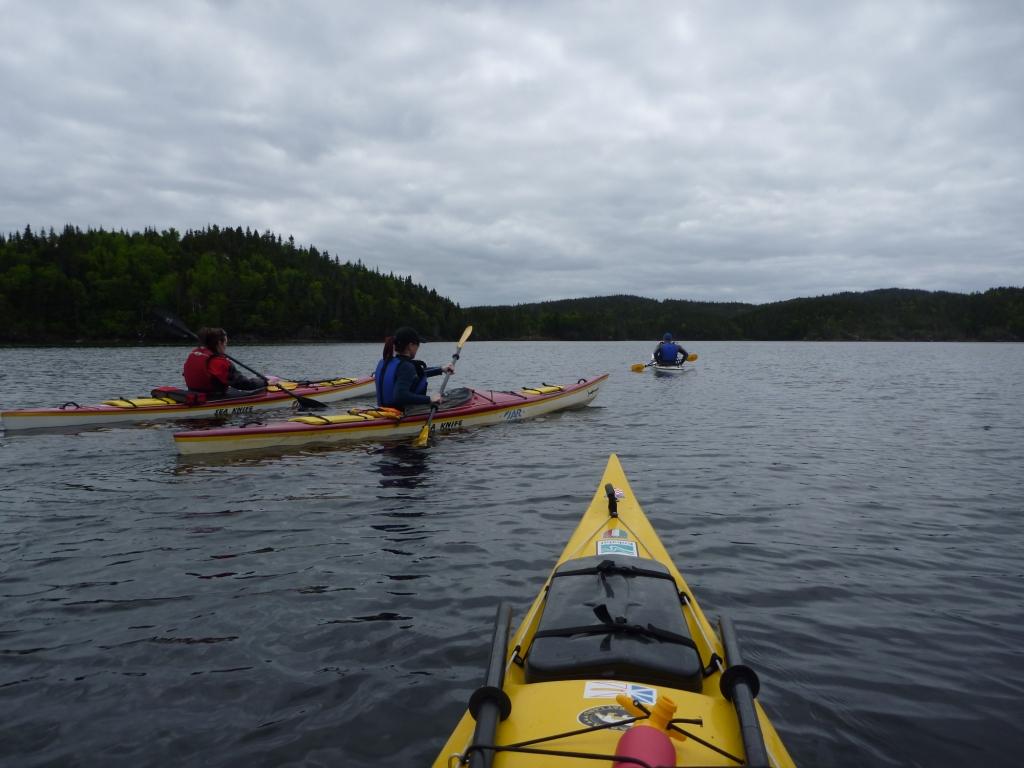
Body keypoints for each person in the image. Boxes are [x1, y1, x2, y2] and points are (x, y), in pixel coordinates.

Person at [374, 326, 455, 409]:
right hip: (401, 415)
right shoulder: (406, 366)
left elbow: (416, 374)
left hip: (382, 412)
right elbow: (400, 396)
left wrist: (441, 369)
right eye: (418, 345)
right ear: (410, 345)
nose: (418, 348)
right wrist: (429, 399)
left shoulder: (385, 362)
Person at [182, 327, 266, 397]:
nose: (226, 346)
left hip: (194, 394)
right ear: (219, 343)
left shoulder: (195, 354)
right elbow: (244, 384)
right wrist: (264, 382)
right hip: (212, 397)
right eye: (225, 342)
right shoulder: (218, 362)